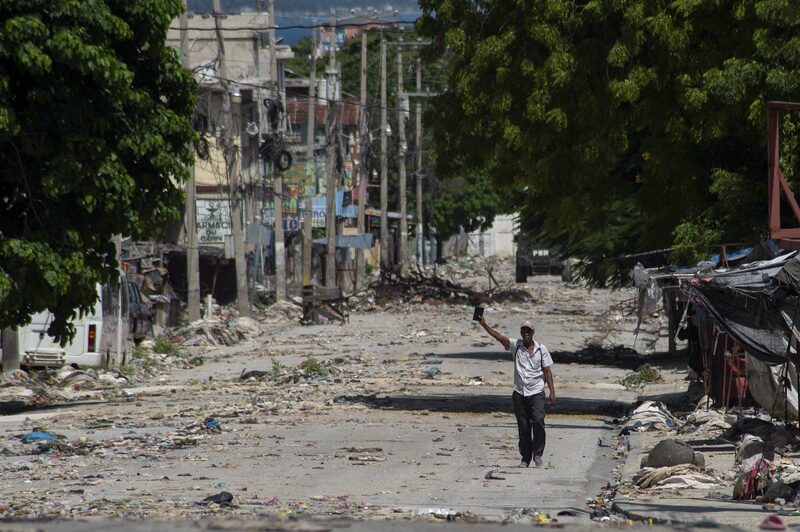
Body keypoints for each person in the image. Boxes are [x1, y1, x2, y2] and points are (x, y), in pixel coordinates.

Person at [479, 315, 556, 468]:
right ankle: (525, 458)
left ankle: (538, 455)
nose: (526, 333)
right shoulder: (516, 346)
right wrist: (484, 324)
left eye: (528, 330)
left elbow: (547, 371)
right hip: (519, 393)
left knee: (538, 421)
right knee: (524, 426)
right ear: (521, 332)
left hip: (536, 392)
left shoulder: (542, 349)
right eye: (523, 331)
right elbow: (498, 337)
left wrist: (552, 393)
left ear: (533, 332)